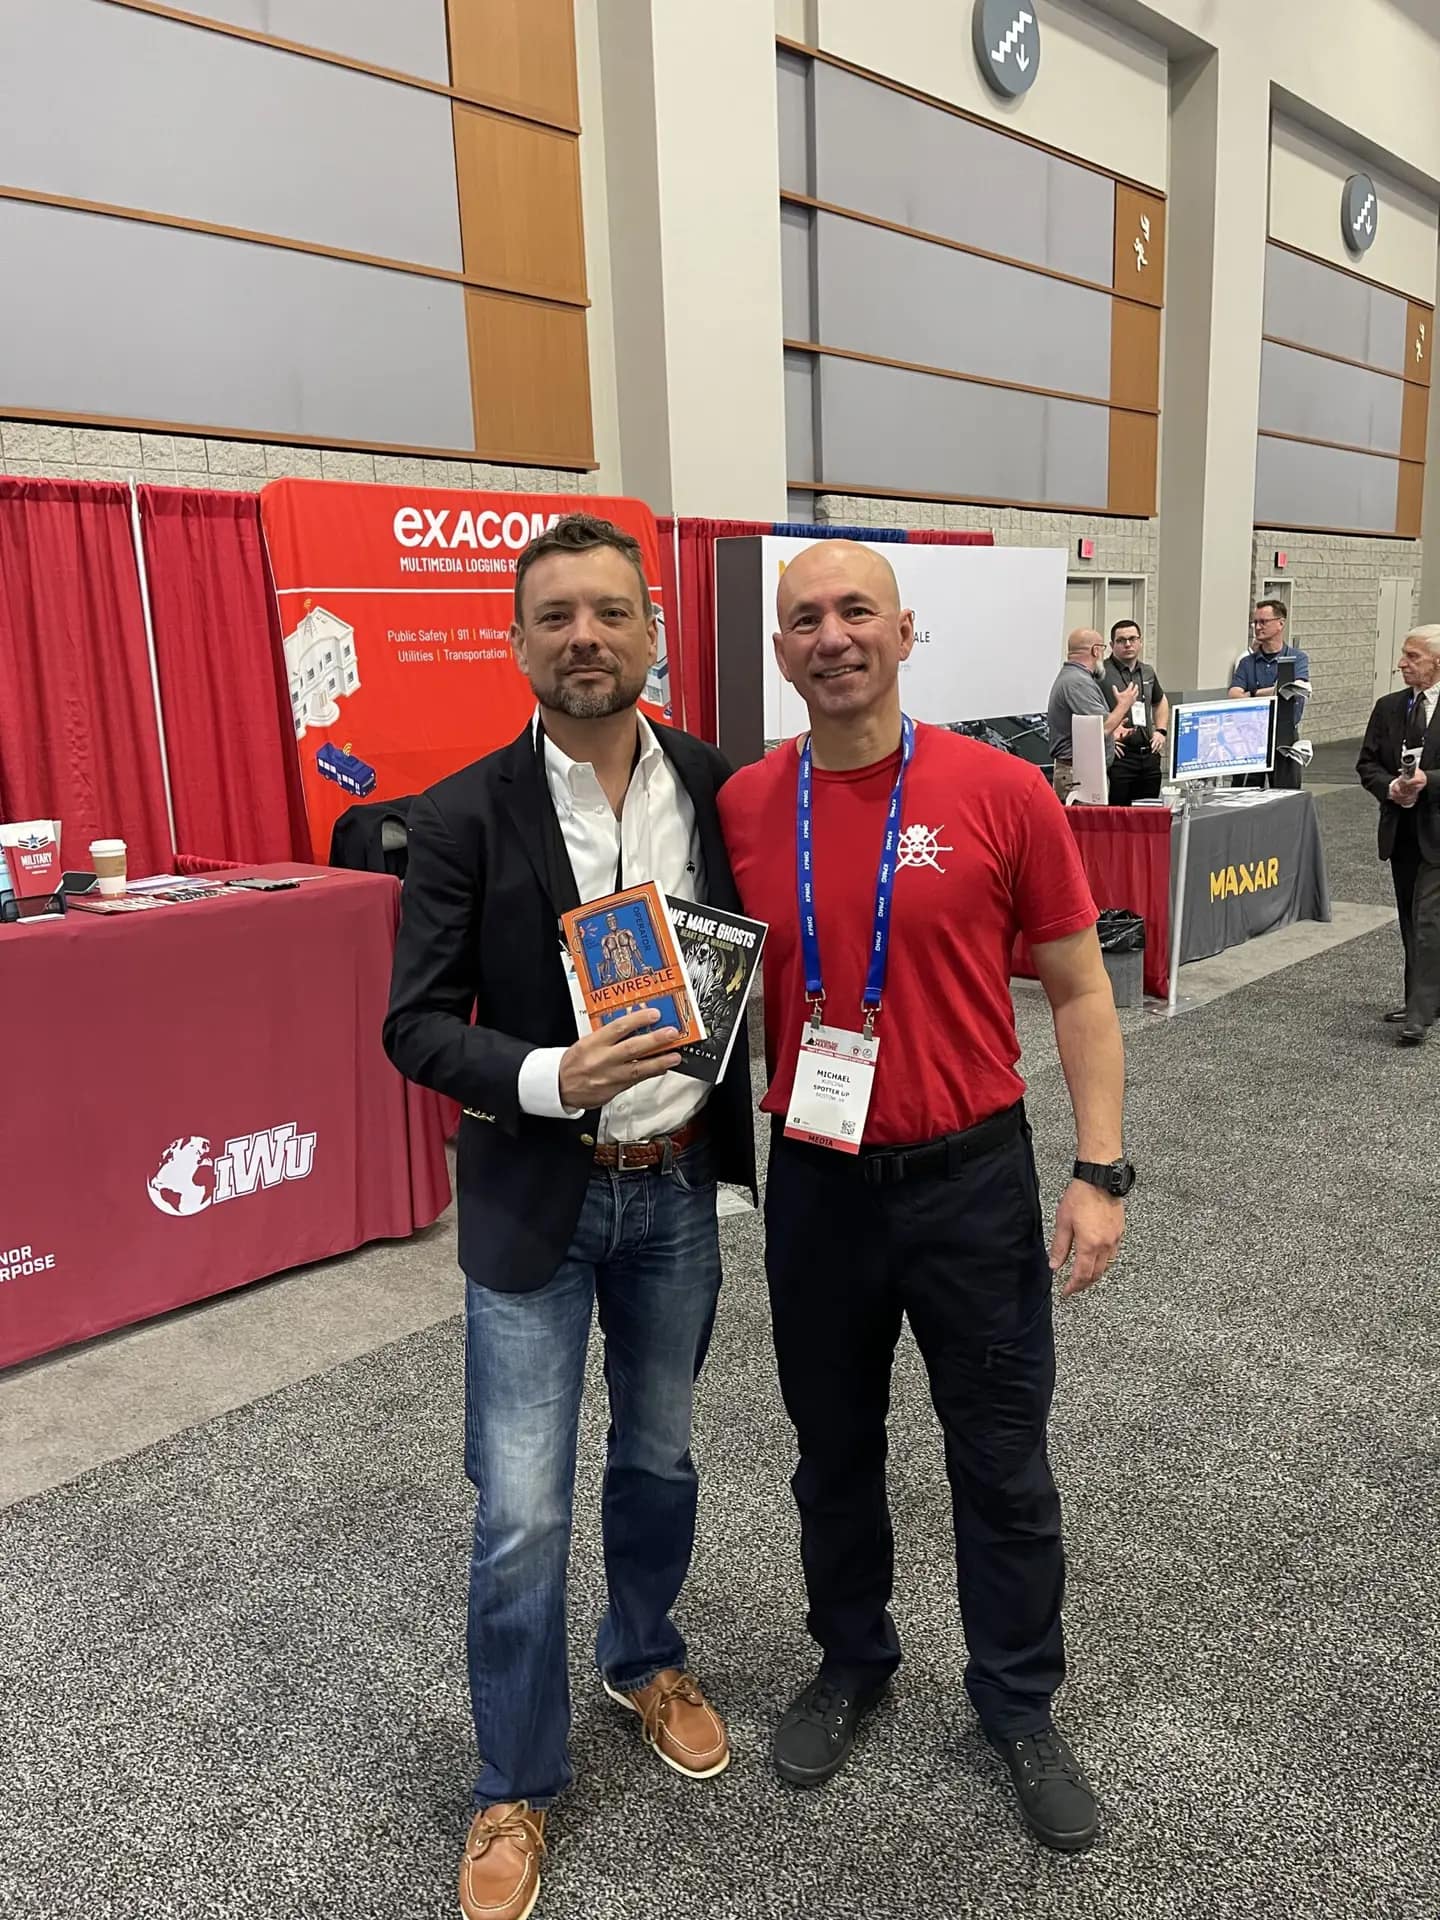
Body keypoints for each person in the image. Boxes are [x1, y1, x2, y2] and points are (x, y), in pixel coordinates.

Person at [719, 541, 1131, 1855]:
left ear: (907, 633)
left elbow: (1079, 990)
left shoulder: (1002, 791)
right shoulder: (742, 805)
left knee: (1003, 1465)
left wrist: (1099, 1168)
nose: (831, 635)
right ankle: (853, 1659)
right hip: (819, 1190)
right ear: (780, 651)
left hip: (970, 1183)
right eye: (805, 619)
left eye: (856, 612)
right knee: (831, 1455)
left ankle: (1016, 1701)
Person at [383, 513, 756, 1920]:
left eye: (610, 612)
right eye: (557, 616)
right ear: (518, 640)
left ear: (653, 630)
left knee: (659, 1459)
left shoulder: (724, 789)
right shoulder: (465, 813)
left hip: (675, 1201)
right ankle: (513, 1784)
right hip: (537, 1202)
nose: (585, 637)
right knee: (521, 1515)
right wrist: (547, 1074)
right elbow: (413, 1026)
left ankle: (643, 1653)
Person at [1357, 625, 1440, 1047]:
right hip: (1402, 830)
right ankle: (1422, 998)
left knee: (1428, 918)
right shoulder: (1389, 707)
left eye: (1412, 657)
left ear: (1438, 663)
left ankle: (1420, 1015)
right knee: (1411, 918)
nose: (1401, 663)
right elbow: (1367, 763)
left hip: (1438, 832)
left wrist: (1430, 781)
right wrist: (1390, 787)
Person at [1230, 600, 1312, 790]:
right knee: (1244, 794)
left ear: (1280, 623)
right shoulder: (1247, 663)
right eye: (1255, 622)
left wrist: (1251, 695)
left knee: (1286, 795)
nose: (1257, 627)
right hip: (1250, 737)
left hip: (1284, 736)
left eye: (1263, 622)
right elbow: (1234, 695)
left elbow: (1290, 688)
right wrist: (1270, 692)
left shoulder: (1297, 659)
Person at [1047, 628, 1135, 801]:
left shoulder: (1073, 677)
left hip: (1078, 774)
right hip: (1079, 777)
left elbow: (1089, 729)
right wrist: (1124, 705)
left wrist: (1113, 734)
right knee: (1085, 827)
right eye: (1102, 648)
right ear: (1095, 650)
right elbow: (1101, 728)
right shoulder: (1077, 682)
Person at [1101, 619, 1169, 805]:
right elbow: (1089, 711)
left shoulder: (1147, 672)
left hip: (1148, 754)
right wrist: (1106, 738)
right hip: (1121, 757)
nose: (1128, 644)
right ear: (1112, 645)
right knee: (1119, 815)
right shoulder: (1101, 674)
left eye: (1132, 639)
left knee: (1148, 814)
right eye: (1121, 640)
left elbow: (1160, 700)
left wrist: (1161, 730)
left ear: (1140, 642)